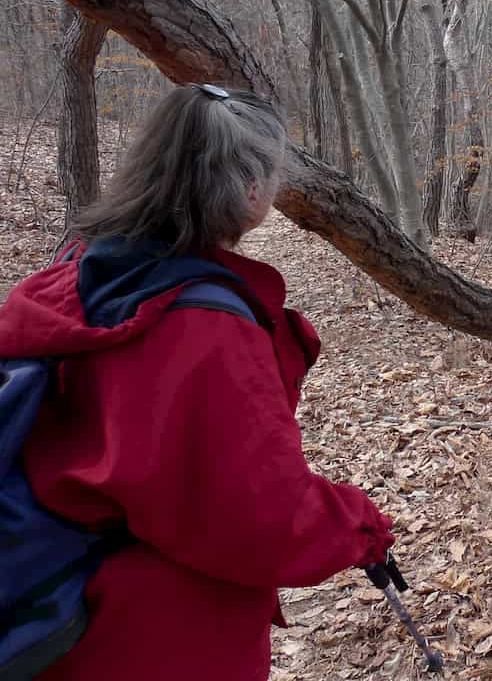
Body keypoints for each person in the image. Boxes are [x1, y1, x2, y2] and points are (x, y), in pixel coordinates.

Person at [0, 83, 393, 680]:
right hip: (153, 631)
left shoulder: (88, 266)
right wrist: (359, 526)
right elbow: (258, 515)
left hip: (56, 599)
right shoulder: (205, 324)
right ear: (252, 189)